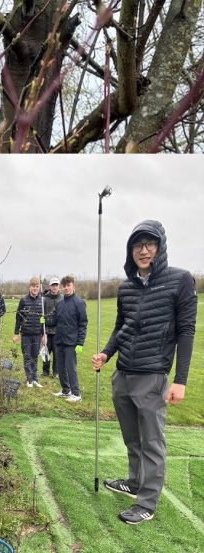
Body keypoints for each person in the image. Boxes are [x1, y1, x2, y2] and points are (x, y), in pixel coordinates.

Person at [92, 221, 197, 525]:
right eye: (138, 245)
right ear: (131, 250)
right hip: (123, 373)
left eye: (150, 244)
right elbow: (120, 327)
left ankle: (146, 502)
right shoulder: (126, 285)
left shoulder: (180, 281)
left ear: (160, 247)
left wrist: (180, 380)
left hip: (152, 375)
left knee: (151, 441)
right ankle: (135, 481)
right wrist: (106, 353)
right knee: (131, 437)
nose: (144, 250)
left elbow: (186, 331)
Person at [50, 275, 86, 401]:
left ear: (73, 286)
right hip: (59, 341)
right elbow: (54, 320)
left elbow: (83, 324)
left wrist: (80, 343)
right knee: (60, 367)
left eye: (68, 285)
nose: (66, 288)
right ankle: (66, 390)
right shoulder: (59, 304)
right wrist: (45, 320)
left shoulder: (79, 303)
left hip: (71, 342)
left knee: (71, 368)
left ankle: (76, 394)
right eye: (64, 286)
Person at [13, 276, 46, 388]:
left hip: (37, 334)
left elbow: (44, 319)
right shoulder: (23, 300)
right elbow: (18, 317)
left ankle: (35, 378)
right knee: (27, 356)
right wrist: (16, 333)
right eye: (33, 286)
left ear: (39, 288)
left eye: (37, 286)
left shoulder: (42, 300)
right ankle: (29, 379)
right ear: (29, 287)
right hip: (26, 334)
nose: (35, 288)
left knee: (35, 356)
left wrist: (44, 334)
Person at [41, 277, 61, 378]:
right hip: (47, 331)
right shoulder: (44, 299)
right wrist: (43, 333)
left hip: (58, 332)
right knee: (46, 351)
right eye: (53, 285)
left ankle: (56, 372)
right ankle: (45, 371)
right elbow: (41, 316)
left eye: (56, 285)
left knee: (57, 353)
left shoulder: (62, 299)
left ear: (59, 286)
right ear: (50, 286)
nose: (54, 287)